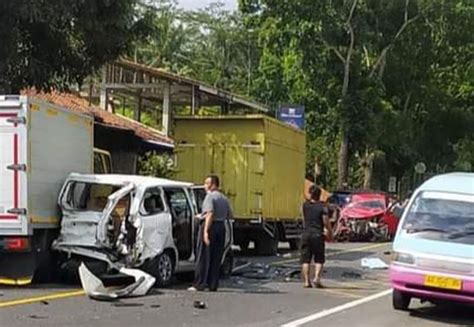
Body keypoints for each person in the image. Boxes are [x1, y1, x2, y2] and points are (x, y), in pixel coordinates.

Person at [189, 175, 232, 292]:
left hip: (211, 226)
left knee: (203, 257)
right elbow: (230, 215)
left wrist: (206, 232)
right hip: (221, 228)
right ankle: (213, 284)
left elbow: (210, 214)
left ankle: (200, 284)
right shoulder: (224, 198)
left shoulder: (209, 197)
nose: (204, 186)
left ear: (213, 185)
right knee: (216, 258)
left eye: (206, 183)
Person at [301, 185, 333, 288]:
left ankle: (306, 281)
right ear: (319, 195)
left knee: (306, 259)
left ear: (311, 194)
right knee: (319, 258)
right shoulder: (322, 207)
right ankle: (316, 279)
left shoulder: (305, 205)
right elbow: (325, 221)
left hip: (306, 233)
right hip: (317, 234)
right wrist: (329, 231)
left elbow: (303, 218)